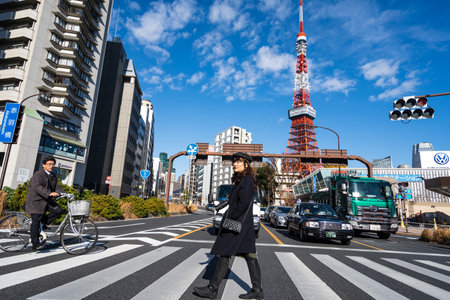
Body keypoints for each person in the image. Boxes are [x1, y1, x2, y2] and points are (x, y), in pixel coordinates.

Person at [194, 152, 263, 299]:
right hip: (245, 226)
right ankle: (257, 290)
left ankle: (213, 289)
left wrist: (229, 219)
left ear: (246, 164)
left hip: (237, 225)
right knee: (250, 256)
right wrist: (221, 207)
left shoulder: (246, 181)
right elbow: (234, 200)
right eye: (234, 161)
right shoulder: (242, 180)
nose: (234, 164)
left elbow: (243, 204)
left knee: (225, 253)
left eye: (238, 161)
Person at [25, 156, 64, 251]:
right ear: (43, 165)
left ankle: (43, 223)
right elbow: (37, 187)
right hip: (36, 201)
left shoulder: (53, 176)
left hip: (46, 200)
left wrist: (62, 193)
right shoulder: (38, 174)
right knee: (35, 221)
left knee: (58, 210)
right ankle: (35, 244)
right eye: (49, 164)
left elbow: (58, 187)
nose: (51, 166)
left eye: (53, 164)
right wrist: (49, 193)